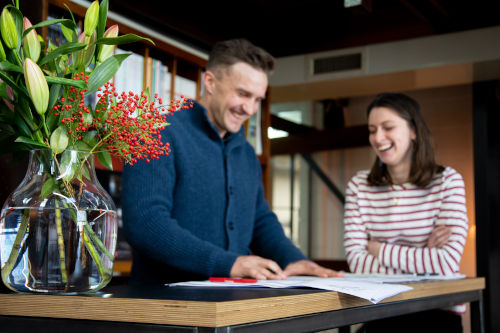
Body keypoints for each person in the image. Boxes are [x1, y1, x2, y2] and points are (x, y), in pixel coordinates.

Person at [121, 38, 342, 285]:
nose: (250, 108)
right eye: (242, 94)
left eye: (258, 99)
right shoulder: (157, 132)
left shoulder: (246, 153)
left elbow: (260, 221)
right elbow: (145, 223)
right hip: (164, 306)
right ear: (210, 82)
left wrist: (292, 259)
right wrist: (228, 263)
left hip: (231, 305)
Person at [343, 92, 468, 332]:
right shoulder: (359, 186)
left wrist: (379, 249)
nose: (378, 138)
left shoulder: (448, 181)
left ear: (413, 131)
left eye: (388, 127)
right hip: (382, 309)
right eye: (372, 130)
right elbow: (357, 262)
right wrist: (425, 257)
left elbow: (447, 261)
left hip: (436, 309)